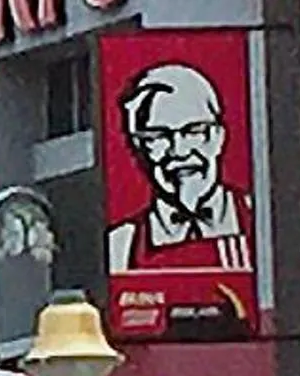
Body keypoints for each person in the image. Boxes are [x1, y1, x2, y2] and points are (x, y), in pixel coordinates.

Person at [106, 60, 251, 277]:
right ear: (139, 147)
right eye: (159, 136)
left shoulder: (259, 218)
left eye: (194, 131)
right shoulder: (121, 244)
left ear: (219, 137)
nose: (179, 151)